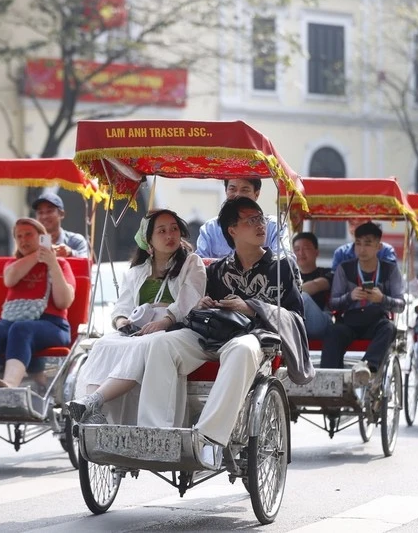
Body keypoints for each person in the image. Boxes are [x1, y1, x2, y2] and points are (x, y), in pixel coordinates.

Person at [137, 196, 308, 469]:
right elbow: (199, 314)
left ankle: (209, 440)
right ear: (232, 230)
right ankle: (156, 435)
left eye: (260, 219)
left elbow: (297, 318)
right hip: (214, 334)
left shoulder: (282, 267)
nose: (260, 225)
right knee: (162, 344)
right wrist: (201, 304)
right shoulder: (217, 269)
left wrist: (252, 307)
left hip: (257, 341)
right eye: (251, 220)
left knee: (241, 349)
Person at [67, 209, 206, 423]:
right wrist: (122, 322)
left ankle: (94, 400)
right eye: (162, 231)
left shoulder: (192, 263)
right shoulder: (136, 271)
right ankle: (93, 409)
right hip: (139, 329)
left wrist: (165, 321)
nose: (170, 235)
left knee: (146, 344)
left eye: (174, 229)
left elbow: (189, 299)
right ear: (148, 240)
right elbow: (121, 307)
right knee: (104, 344)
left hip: (176, 327)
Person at [0, 218, 76, 388]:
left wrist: (52, 262)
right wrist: (37, 254)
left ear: (42, 237)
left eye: (28, 235)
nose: (23, 240)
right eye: (19, 236)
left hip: (53, 325)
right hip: (12, 322)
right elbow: (10, 279)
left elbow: (63, 301)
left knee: (22, 328)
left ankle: (10, 382)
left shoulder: (61, 264)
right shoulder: (13, 264)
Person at [321, 222, 405, 385]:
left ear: (379, 247)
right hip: (350, 320)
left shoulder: (390, 270)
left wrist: (382, 299)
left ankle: (366, 366)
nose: (362, 249)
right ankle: (329, 380)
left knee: (389, 328)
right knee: (334, 331)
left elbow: (400, 304)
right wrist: (350, 297)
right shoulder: (344, 268)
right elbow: (333, 303)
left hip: (376, 320)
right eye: (358, 243)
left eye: (368, 244)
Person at [195, 178, 288, 258]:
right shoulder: (210, 228)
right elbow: (201, 265)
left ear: (257, 194)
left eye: (245, 190)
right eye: (232, 189)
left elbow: (284, 260)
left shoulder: (275, 226)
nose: (238, 195)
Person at [293, 232, 333, 339]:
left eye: (306, 248)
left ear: (316, 252)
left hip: (321, 323)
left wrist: (287, 292)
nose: (301, 253)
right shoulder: (289, 276)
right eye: (297, 249)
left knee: (304, 297)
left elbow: (316, 285)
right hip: (297, 323)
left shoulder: (327, 273)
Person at [32, 191, 90, 258]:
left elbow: (86, 263)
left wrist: (71, 253)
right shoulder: (31, 242)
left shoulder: (76, 241)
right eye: (40, 212)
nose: (44, 216)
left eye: (49, 211)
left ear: (61, 214)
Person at [331, 218, 396, 272]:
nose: (355, 228)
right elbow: (335, 279)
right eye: (351, 224)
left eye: (359, 223)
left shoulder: (386, 251)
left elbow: (392, 277)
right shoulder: (341, 252)